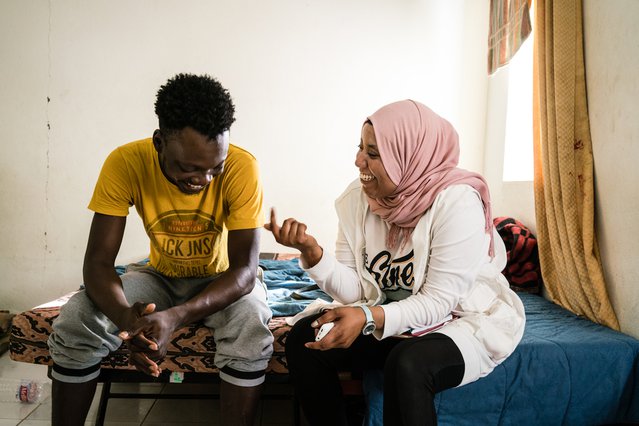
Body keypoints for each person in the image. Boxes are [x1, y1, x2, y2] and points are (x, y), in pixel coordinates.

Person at [265, 100, 526, 425]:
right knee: (306, 338)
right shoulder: (357, 201)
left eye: (373, 154)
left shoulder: (456, 203)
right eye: (360, 148)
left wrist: (366, 316)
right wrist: (312, 253)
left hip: (456, 318)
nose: (358, 160)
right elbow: (357, 289)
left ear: (408, 157)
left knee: (408, 363)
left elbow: (439, 301)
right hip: (386, 317)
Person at [47, 73, 273, 426]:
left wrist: (176, 316)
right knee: (77, 318)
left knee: (250, 322)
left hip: (221, 278)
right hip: (159, 277)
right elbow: (97, 263)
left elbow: (244, 272)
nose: (204, 179)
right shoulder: (125, 162)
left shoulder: (244, 167)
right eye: (188, 167)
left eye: (216, 167)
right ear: (159, 143)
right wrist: (127, 320)